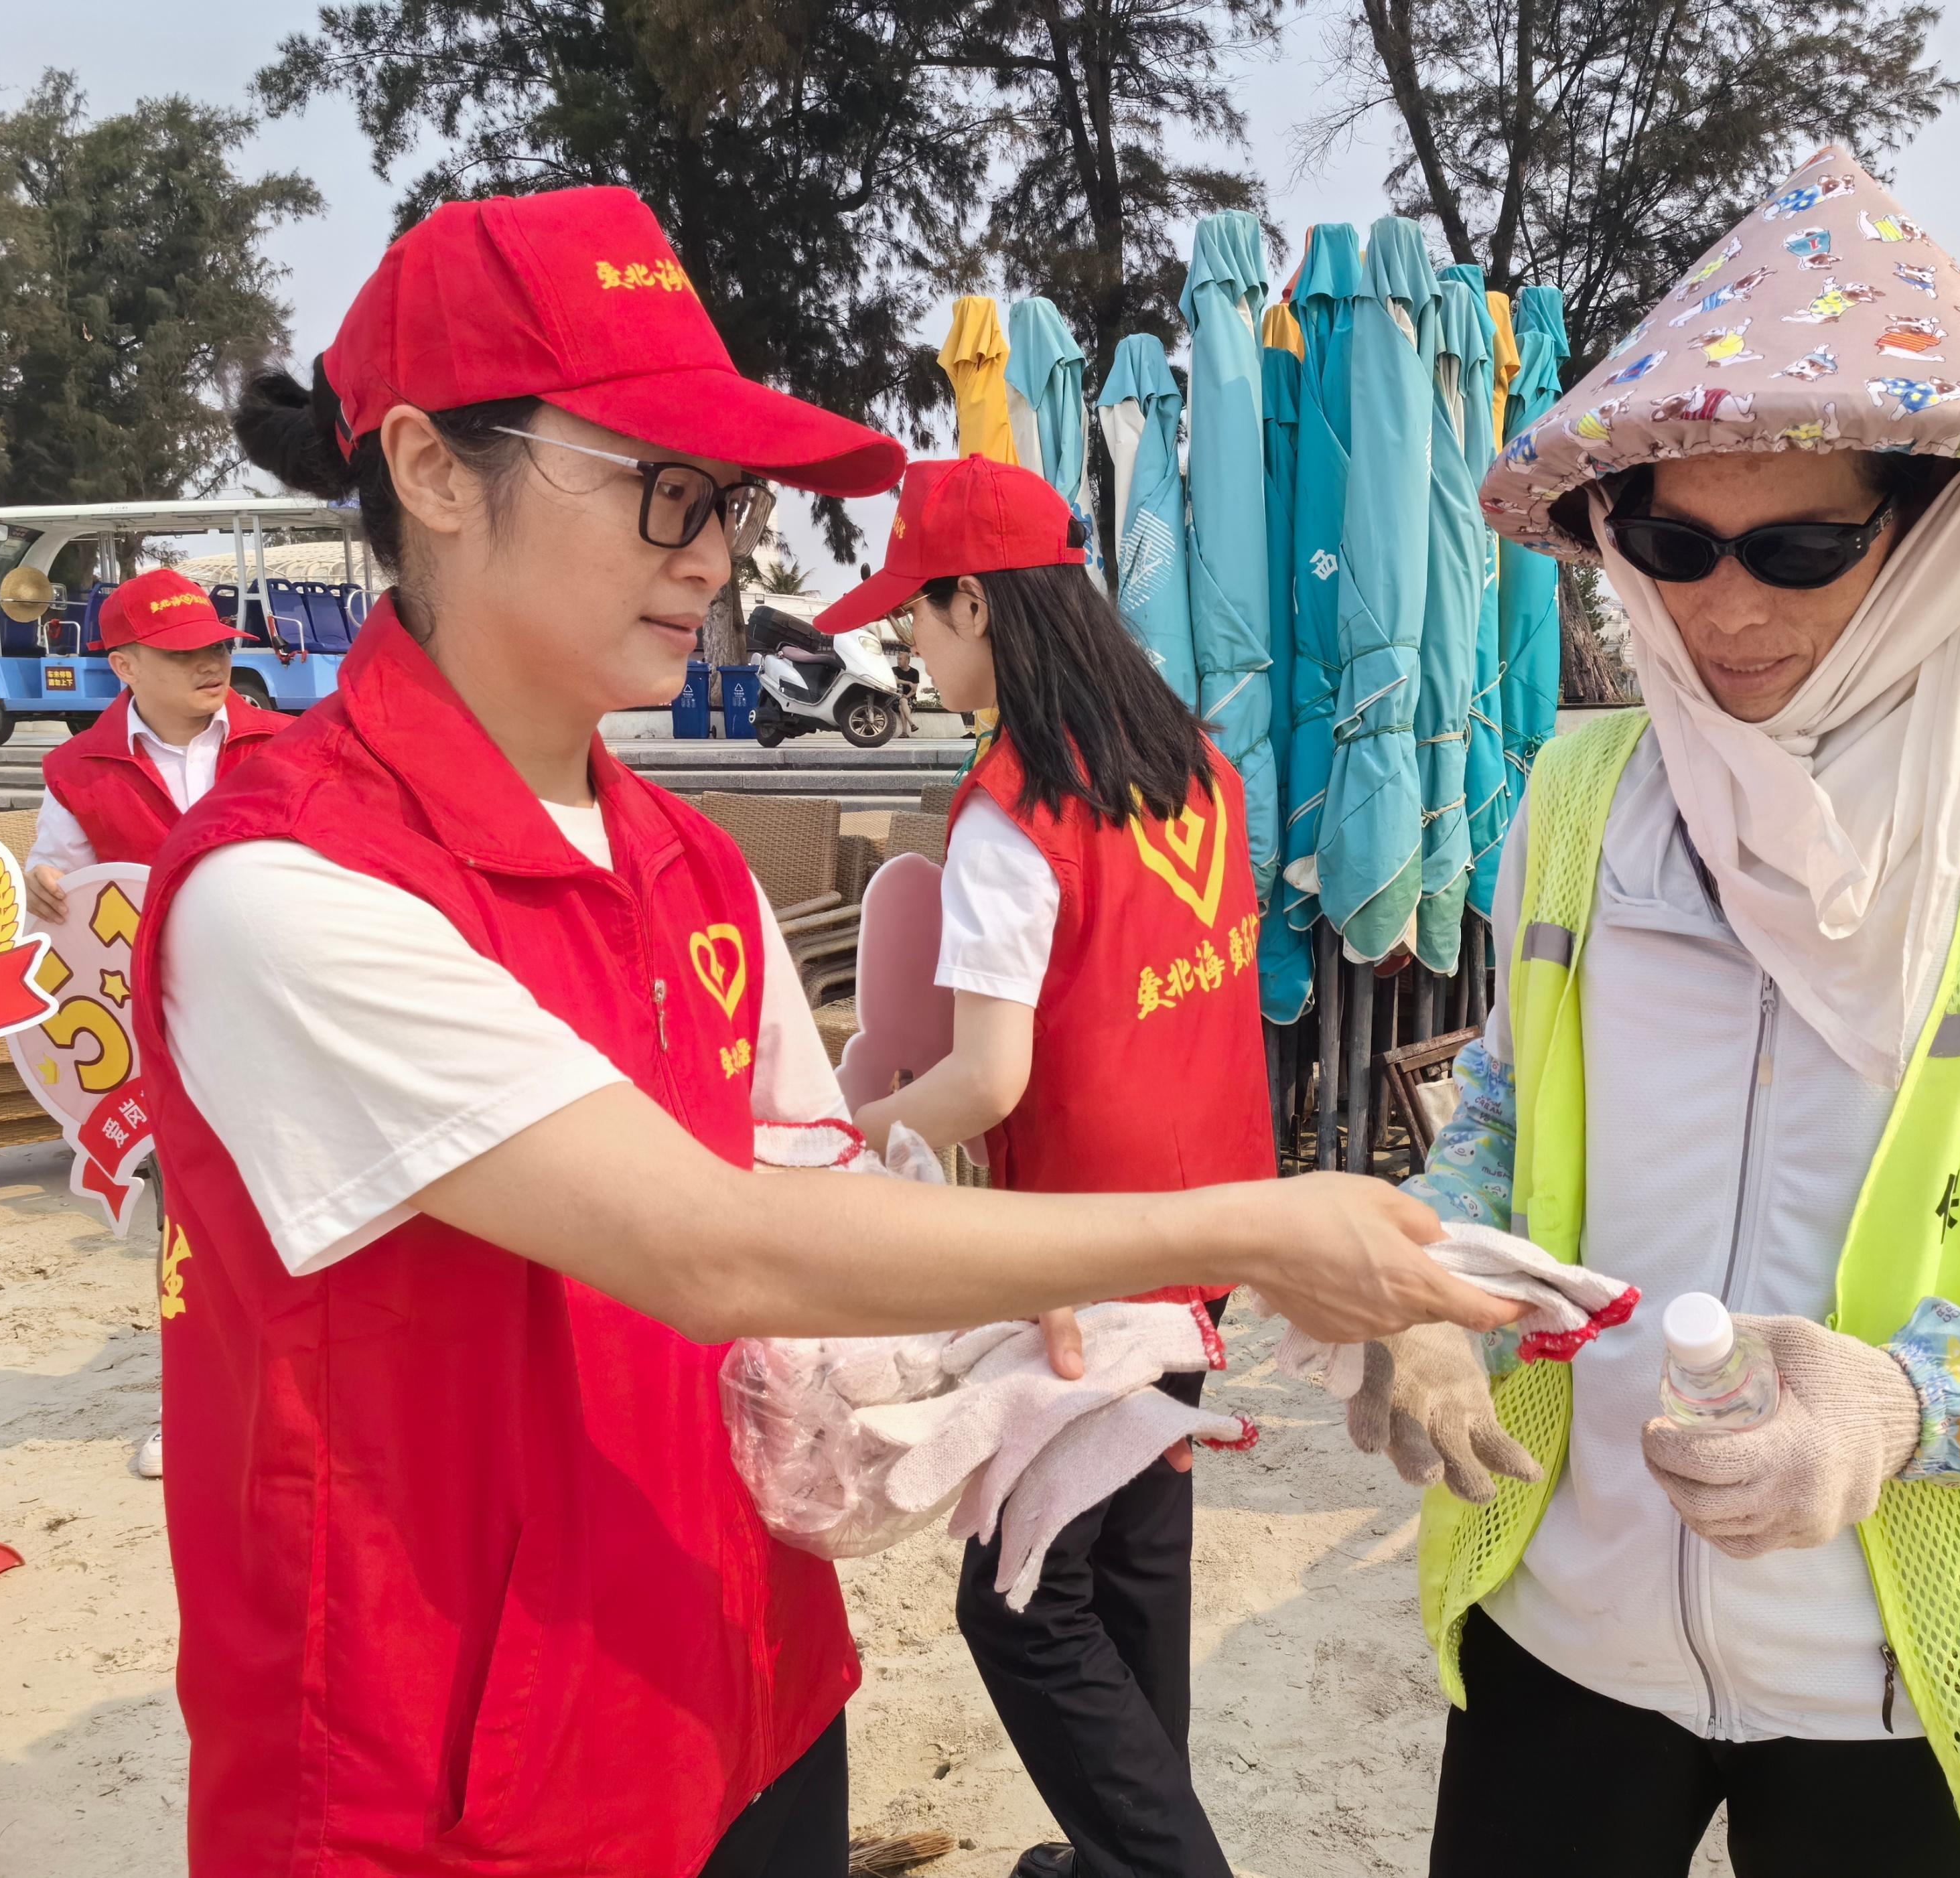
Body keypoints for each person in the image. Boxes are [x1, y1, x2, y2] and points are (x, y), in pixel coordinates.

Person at [144, 185, 1514, 1878]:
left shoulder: (692, 866)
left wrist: (1014, 1321)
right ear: (431, 469)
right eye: (660, 488)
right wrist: (1241, 1227)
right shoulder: (281, 892)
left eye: (724, 498)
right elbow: (711, 1243)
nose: (715, 552)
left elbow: (824, 1190)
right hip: (456, 1782)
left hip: (747, 1686)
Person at [1358, 151, 1960, 1878]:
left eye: (1797, 548)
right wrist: (1435, 1297)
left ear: (1937, 536)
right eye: (1668, 543)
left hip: (1916, 1672)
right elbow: (1499, 1114)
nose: (1723, 609)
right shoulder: (1579, 797)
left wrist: (1906, 1407)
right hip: (1572, 1617)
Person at [839, 455, 1269, 1878]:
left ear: (976, 601)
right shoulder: (1192, 760)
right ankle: (1115, 1858)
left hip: (1085, 1259)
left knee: (1020, 1598)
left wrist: (870, 1138)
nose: (909, 642)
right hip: (1205, 1229)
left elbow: (991, 1077)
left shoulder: (1010, 809)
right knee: (1132, 1567)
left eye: (916, 612)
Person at [24, 567, 291, 1478]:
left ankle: (315, 1409)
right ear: (125, 665)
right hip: (168, 1044)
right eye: (185, 655)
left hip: (289, 1026)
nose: (212, 663)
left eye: (218, 646)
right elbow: (65, 902)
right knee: (194, 1232)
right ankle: (198, 1412)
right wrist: (43, 892)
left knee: (316, 1219)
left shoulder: (286, 744)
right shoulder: (77, 771)